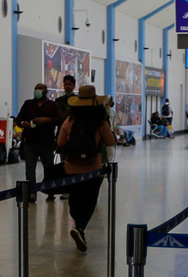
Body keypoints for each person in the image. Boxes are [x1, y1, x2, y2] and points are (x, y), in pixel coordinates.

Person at [58, 85, 116, 252]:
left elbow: (60, 143)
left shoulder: (69, 121)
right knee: (90, 201)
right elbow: (111, 142)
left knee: (74, 202)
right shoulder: (100, 122)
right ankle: (80, 228)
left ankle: (78, 226)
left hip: (71, 167)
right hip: (94, 169)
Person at [15, 82, 63, 203]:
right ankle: (32, 193)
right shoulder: (28, 104)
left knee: (49, 168)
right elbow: (19, 119)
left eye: (40, 88)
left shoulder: (52, 105)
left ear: (45, 91)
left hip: (47, 142)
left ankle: (51, 192)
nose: (37, 90)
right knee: (30, 169)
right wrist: (23, 124)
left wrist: (47, 120)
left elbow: (60, 119)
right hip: (30, 142)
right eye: (36, 88)